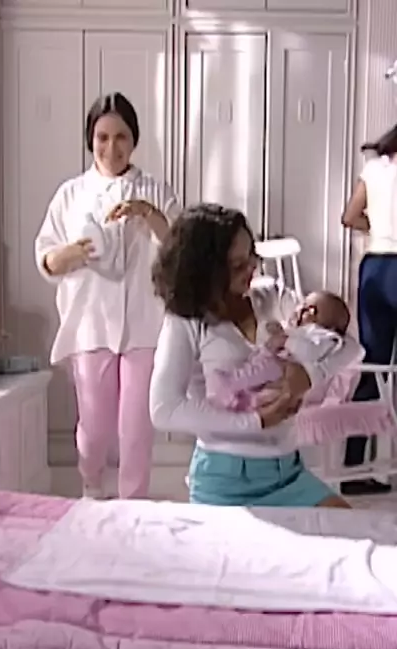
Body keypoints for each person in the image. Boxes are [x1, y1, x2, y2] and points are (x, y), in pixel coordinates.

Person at [150, 203, 361, 507]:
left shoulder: (270, 296)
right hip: (224, 479)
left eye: (252, 255)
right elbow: (163, 409)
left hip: (288, 472)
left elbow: (349, 346)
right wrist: (256, 421)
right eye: (237, 265)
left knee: (352, 529)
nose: (252, 267)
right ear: (207, 271)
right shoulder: (185, 321)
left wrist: (309, 375)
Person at [35, 92, 180, 500]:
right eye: (102, 137)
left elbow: (180, 248)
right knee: (95, 425)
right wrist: (68, 255)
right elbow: (47, 257)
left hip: (144, 325)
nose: (111, 147)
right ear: (90, 140)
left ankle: (133, 502)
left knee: (136, 427)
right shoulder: (71, 195)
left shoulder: (155, 190)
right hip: (90, 324)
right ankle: (92, 485)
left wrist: (148, 214)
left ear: (134, 140)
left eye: (121, 137)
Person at [341, 122, 397, 496]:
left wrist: (378, 228)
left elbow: (349, 217)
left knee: (372, 368)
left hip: (376, 268)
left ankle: (353, 469)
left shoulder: (375, 167)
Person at [207, 290, 352, 413]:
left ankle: (232, 382)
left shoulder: (322, 336)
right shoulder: (298, 328)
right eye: (303, 304)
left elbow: (310, 352)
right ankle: (240, 397)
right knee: (258, 367)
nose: (301, 309)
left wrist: (286, 341)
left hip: (283, 368)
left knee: (262, 370)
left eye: (311, 309)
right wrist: (278, 335)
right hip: (276, 364)